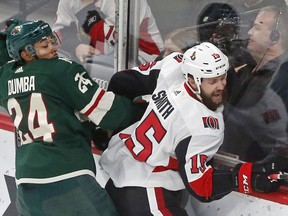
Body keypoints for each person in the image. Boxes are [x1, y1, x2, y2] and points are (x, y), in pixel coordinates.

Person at [99, 42, 282, 216]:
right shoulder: (202, 126)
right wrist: (242, 177)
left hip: (118, 160)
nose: (220, 86)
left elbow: (121, 80)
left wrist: (116, 124)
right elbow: (202, 187)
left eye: (222, 77)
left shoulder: (174, 65)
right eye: (212, 81)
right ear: (193, 81)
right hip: (145, 185)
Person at [0, 19, 142, 216]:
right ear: (26, 54)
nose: (52, 48)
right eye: (44, 45)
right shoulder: (61, 70)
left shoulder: (6, 76)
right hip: (67, 180)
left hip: (26, 188)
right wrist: (145, 108)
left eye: (51, 41)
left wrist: (6, 38)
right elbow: (112, 114)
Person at [220, 6, 288, 181]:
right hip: (230, 170)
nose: (249, 32)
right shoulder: (248, 71)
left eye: (257, 28)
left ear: (275, 37)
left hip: (253, 179)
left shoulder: (282, 81)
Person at [52, 0, 164, 63]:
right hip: (104, 60)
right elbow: (57, 33)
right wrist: (76, 47)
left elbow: (104, 47)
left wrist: (86, 6)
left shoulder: (123, 2)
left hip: (146, 60)